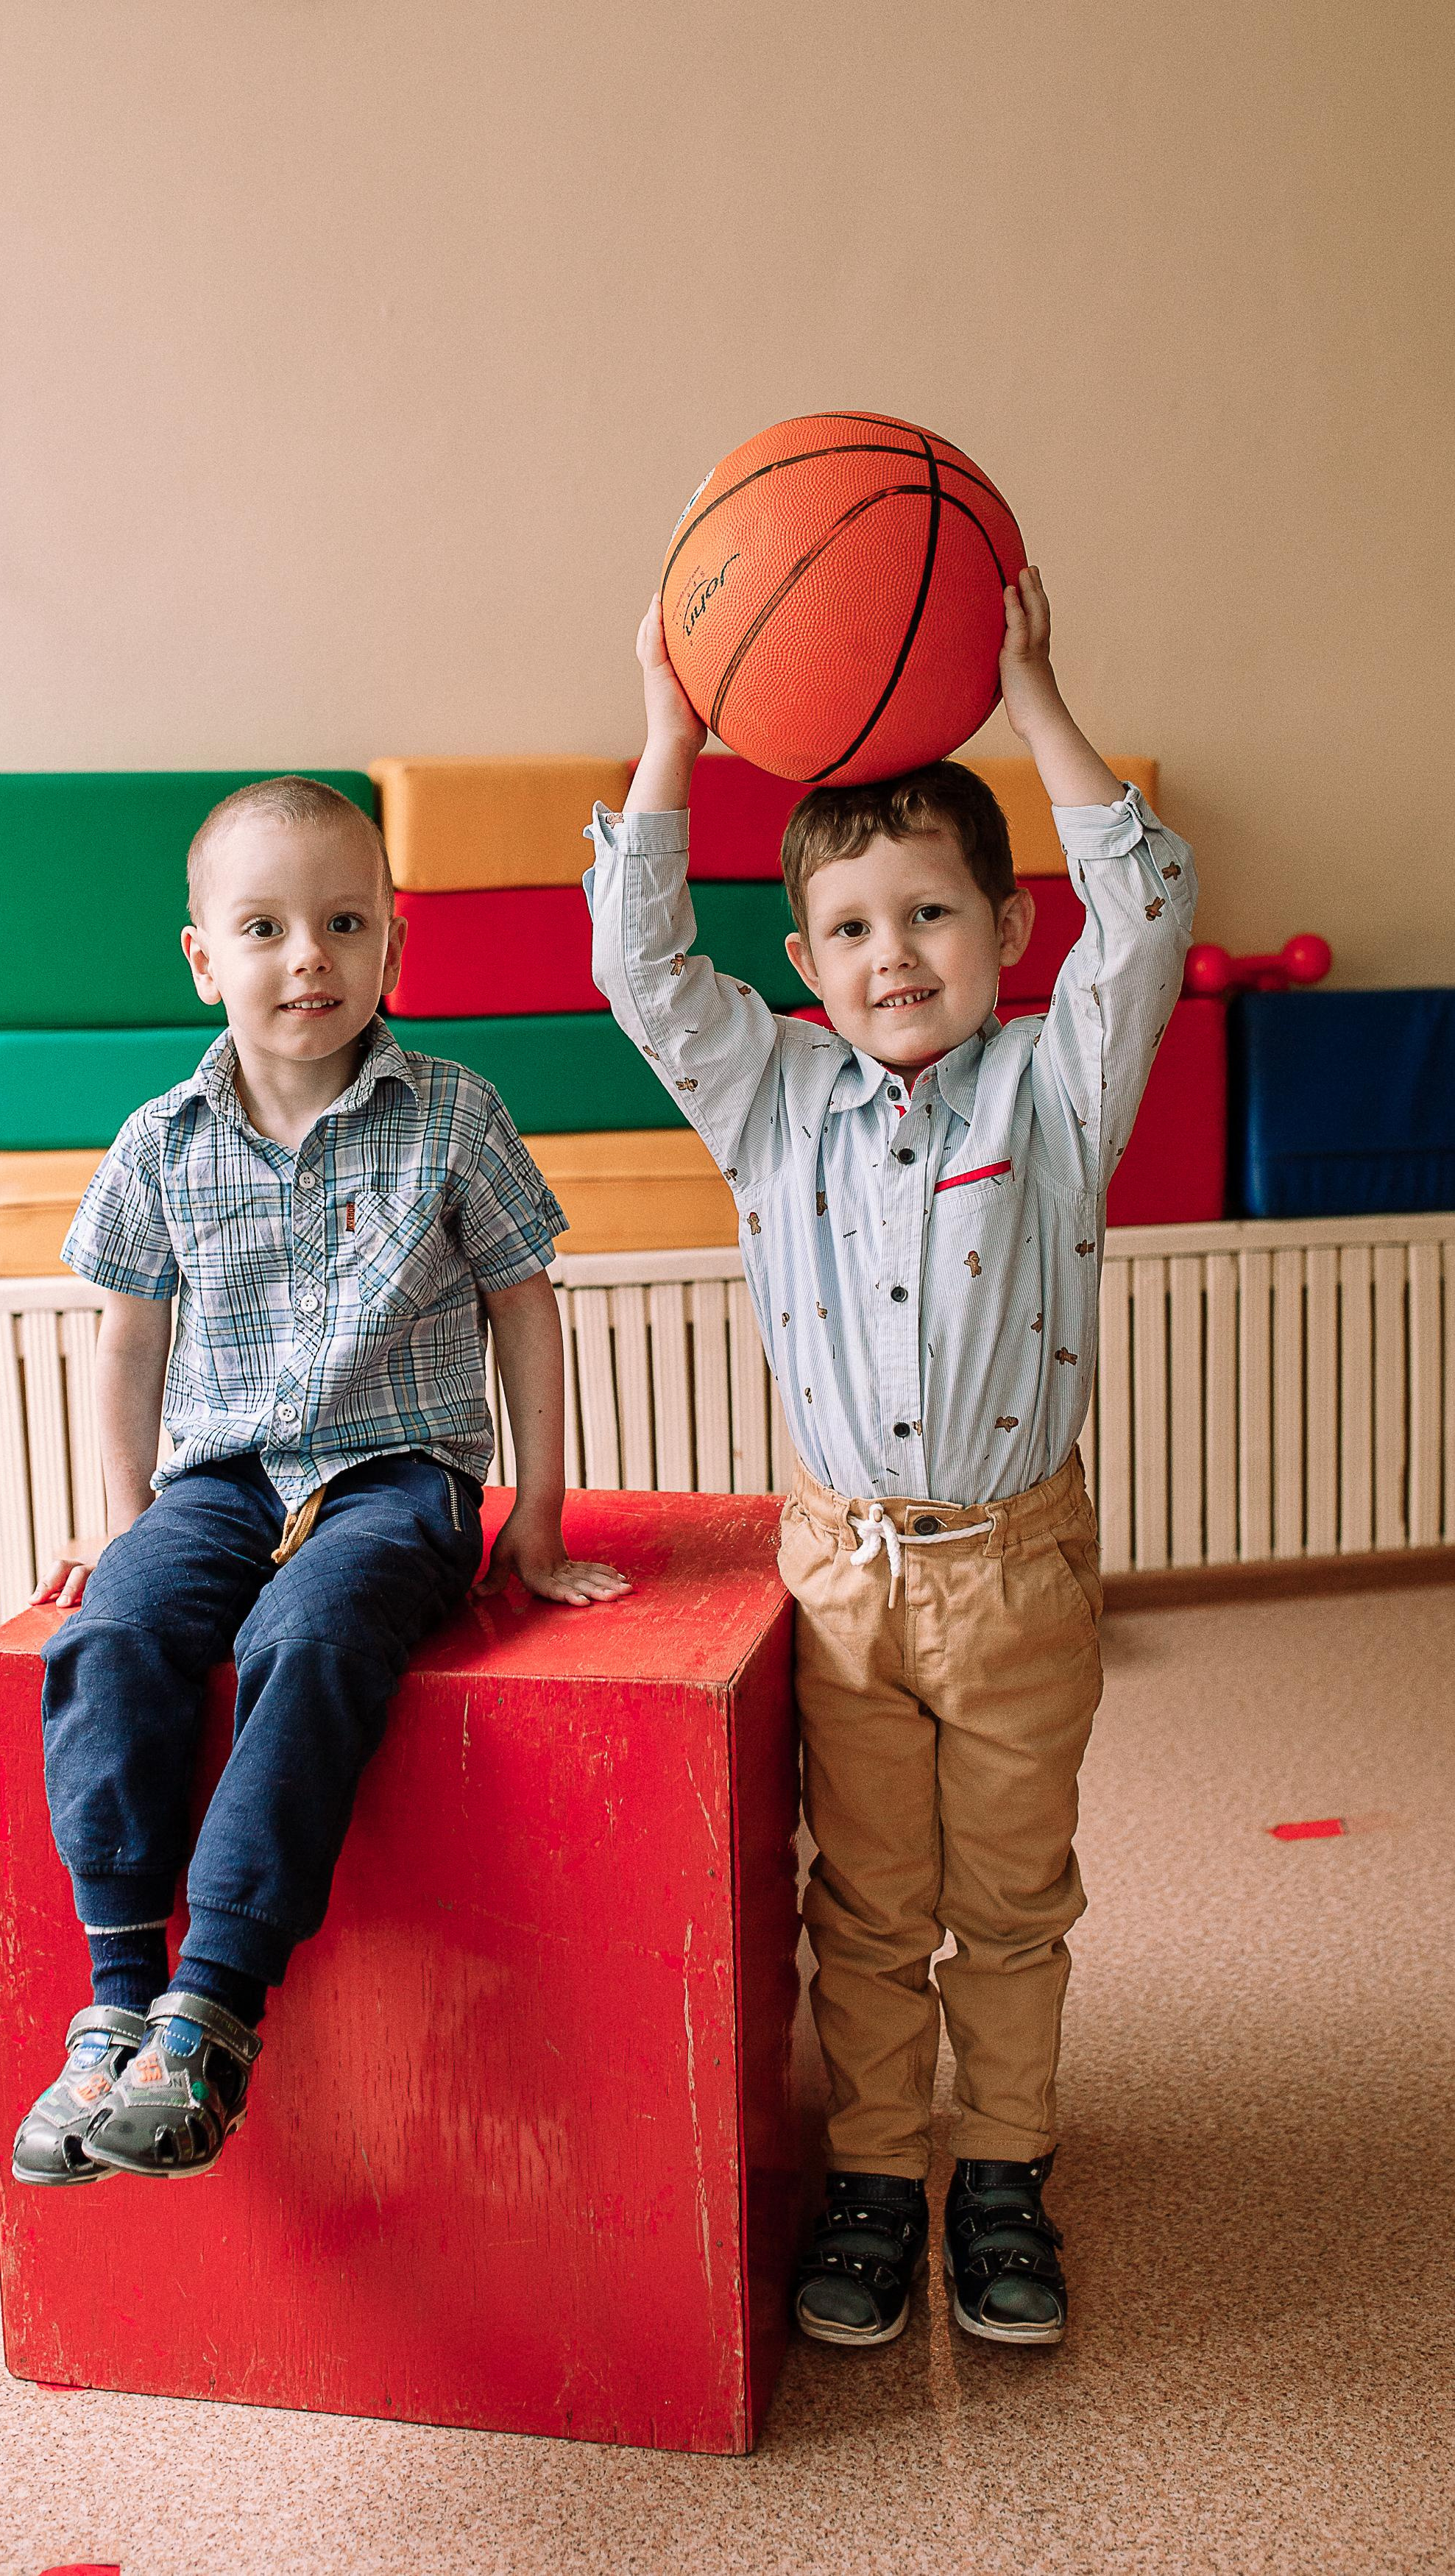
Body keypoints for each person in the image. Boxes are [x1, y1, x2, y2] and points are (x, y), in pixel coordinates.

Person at [591, 572, 1195, 2345]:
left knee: (1008, 1898)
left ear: (1010, 928)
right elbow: (638, 961)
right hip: (844, 1576)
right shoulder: (769, 1093)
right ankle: (875, 2175)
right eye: (851, 928)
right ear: (805, 965)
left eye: (934, 912)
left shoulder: (1060, 1088)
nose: (895, 955)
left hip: (1014, 1569)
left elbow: (1147, 914)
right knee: (863, 1904)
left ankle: (1000, 2172)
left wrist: (1031, 694)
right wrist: (674, 731)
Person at [13, 774, 628, 2187]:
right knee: (111, 1633)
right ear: (203, 957)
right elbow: (126, 1342)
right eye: (267, 927)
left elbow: (522, 1303)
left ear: (393, 947)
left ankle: (214, 2006)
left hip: (394, 1478)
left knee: (311, 1631)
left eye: (344, 923)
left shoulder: (454, 1117)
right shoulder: (159, 1142)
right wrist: (123, 1534)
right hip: (219, 1481)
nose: (308, 957)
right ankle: (115, 1997)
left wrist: (528, 1516)